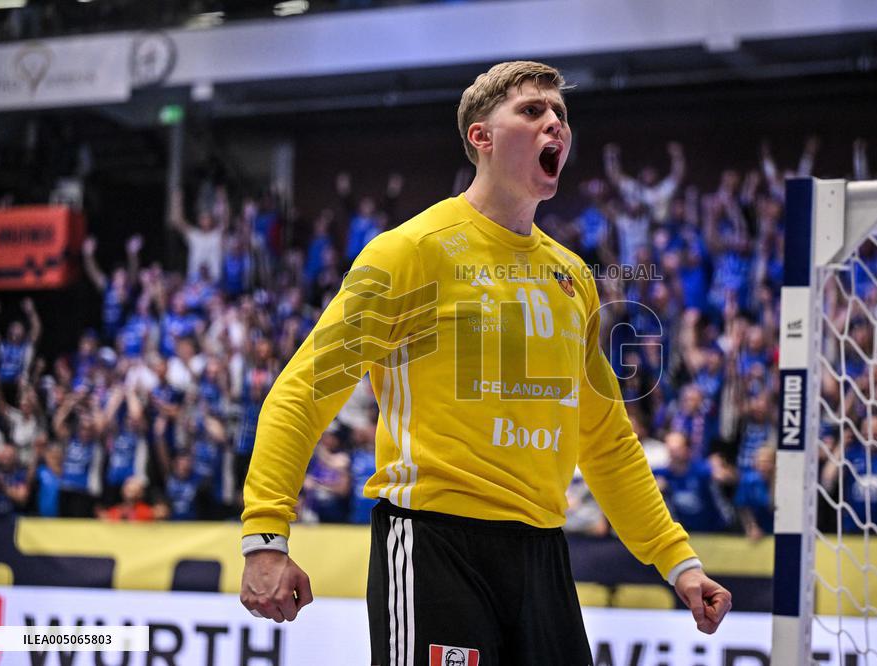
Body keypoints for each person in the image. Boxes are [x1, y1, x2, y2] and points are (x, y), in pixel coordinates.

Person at [239, 61, 731, 664]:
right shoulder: (410, 252)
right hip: (434, 545)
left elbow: (606, 439)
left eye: (560, 114)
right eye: (532, 110)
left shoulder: (572, 277)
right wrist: (265, 536)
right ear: (482, 137)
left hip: (543, 552)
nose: (555, 123)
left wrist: (677, 561)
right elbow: (303, 392)